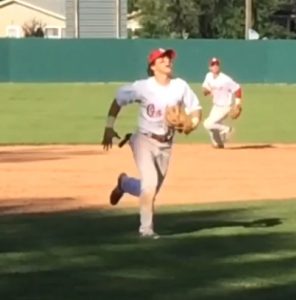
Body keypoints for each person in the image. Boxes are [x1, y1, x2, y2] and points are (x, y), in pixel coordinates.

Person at [101, 48, 202, 239]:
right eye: (162, 59)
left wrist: (193, 123)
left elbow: (196, 108)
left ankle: (124, 183)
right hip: (143, 140)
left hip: (166, 144)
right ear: (153, 66)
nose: (167, 61)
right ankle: (146, 231)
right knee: (150, 184)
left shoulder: (180, 86)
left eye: (169, 58)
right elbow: (118, 100)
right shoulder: (143, 87)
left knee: (150, 189)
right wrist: (108, 127)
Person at [202, 57, 242, 148]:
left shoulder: (225, 79)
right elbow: (204, 89)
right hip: (215, 105)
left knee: (207, 124)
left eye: (217, 64)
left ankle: (228, 129)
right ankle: (218, 143)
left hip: (225, 106)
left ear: (219, 66)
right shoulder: (208, 76)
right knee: (212, 126)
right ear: (210, 67)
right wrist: (208, 91)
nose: (215, 66)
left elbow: (238, 89)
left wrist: (237, 103)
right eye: (213, 65)